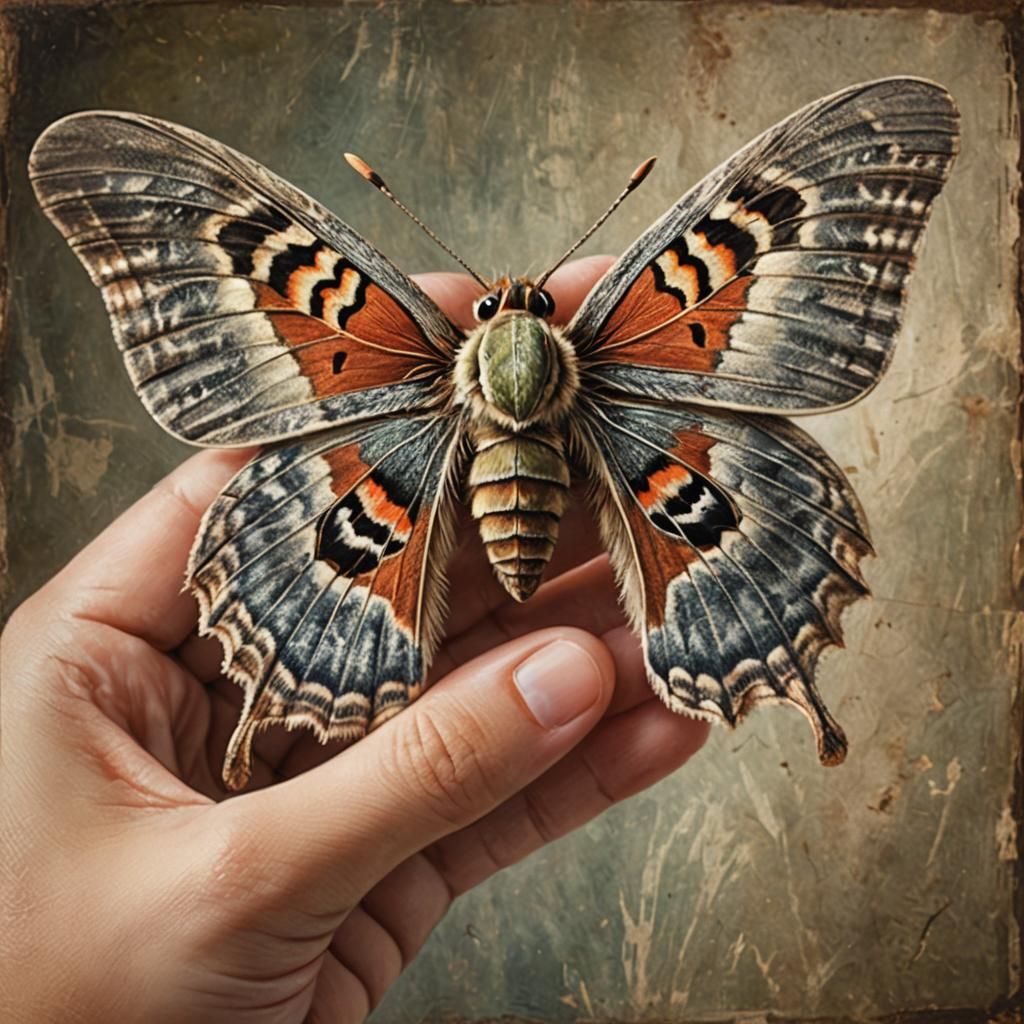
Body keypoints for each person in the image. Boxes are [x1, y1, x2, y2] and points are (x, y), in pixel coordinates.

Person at [1, 257, 708, 1023]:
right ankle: (259, 710)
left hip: (391, 480)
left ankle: (260, 712)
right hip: (631, 455)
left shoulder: (407, 342)